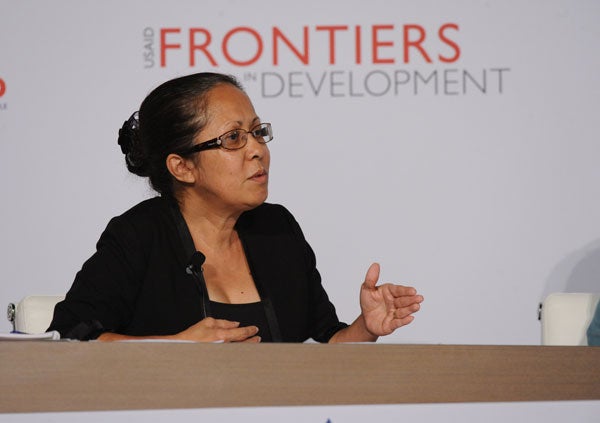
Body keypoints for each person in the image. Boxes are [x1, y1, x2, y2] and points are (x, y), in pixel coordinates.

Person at [48, 72, 424, 343]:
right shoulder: (138, 235)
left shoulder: (277, 229)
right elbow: (69, 337)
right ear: (182, 166)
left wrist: (365, 328)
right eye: (233, 139)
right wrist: (174, 350)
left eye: (258, 132)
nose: (257, 149)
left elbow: (324, 351)